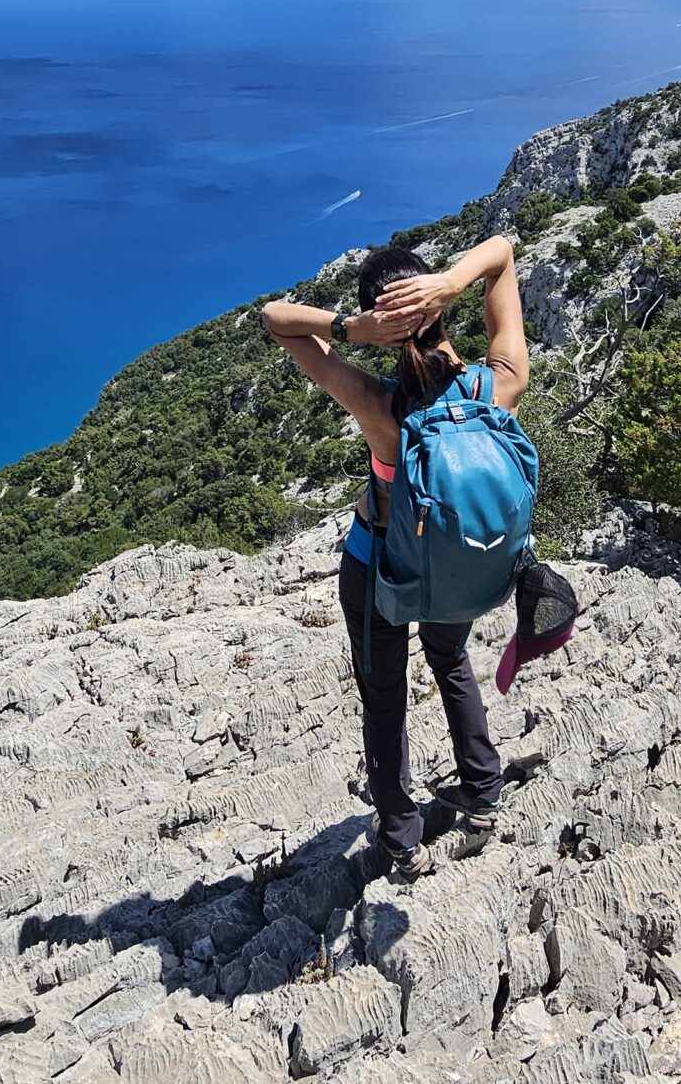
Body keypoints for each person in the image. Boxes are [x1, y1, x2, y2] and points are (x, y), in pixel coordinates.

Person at [261, 235, 529, 880]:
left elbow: (276, 319)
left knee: (383, 700)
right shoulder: (499, 384)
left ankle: (402, 839)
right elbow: (502, 253)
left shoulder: (379, 405)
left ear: (383, 328)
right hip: (462, 566)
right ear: (440, 310)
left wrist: (354, 329)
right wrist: (452, 280)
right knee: (452, 662)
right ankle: (483, 794)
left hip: (381, 567)